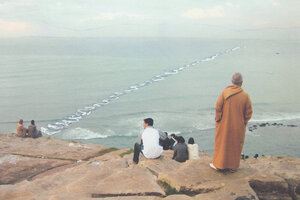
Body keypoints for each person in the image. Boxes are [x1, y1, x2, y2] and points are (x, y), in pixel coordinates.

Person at [210, 73, 252, 171]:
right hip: (238, 125)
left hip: (224, 125)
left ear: (232, 81)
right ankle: (233, 167)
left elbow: (218, 107)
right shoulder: (245, 96)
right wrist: (243, 122)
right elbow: (248, 113)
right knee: (235, 145)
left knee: (222, 144)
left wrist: (218, 119)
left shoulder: (225, 92)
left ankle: (219, 165)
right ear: (241, 82)